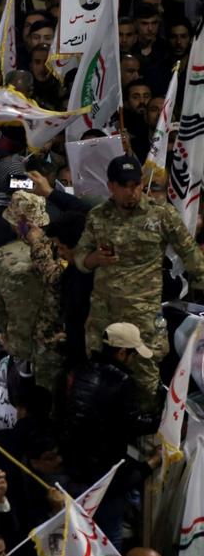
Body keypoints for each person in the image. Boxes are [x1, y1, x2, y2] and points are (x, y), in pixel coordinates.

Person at [74, 155, 204, 407]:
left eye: (135, 184)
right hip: (104, 312)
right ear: (111, 186)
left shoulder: (161, 215)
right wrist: (92, 259)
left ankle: (146, 437)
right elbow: (79, 255)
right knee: (100, 376)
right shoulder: (97, 216)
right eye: (124, 185)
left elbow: (190, 255)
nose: (131, 192)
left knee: (145, 378)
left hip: (142, 313)